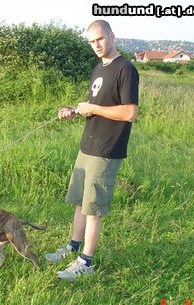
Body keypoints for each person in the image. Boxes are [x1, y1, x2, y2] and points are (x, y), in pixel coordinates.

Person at [45, 20, 139, 280]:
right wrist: (74, 111)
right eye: (91, 41)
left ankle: (86, 263)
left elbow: (129, 112)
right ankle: (72, 247)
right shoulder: (99, 68)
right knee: (79, 201)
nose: (96, 45)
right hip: (88, 145)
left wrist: (93, 109)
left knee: (93, 207)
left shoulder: (126, 69)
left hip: (107, 148)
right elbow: (97, 105)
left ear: (112, 36)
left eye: (100, 39)